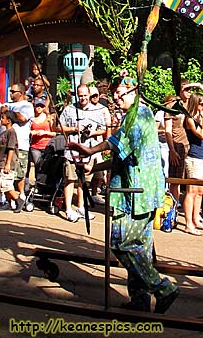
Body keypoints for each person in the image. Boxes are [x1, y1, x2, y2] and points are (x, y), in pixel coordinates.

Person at [67, 75, 179, 314]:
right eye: (115, 93)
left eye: (121, 92)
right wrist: (92, 167)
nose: (117, 97)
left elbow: (118, 142)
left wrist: (90, 149)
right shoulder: (133, 115)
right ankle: (139, 301)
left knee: (122, 244)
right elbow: (123, 155)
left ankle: (163, 288)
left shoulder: (139, 115)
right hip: (134, 191)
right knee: (141, 247)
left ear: (134, 90)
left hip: (135, 193)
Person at [60, 84, 109, 222]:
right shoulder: (69, 109)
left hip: (88, 151)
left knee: (84, 181)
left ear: (89, 95)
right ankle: (68, 209)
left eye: (85, 95)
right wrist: (74, 129)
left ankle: (81, 207)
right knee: (70, 179)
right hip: (72, 151)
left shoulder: (97, 110)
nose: (82, 98)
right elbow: (58, 127)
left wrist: (93, 132)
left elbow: (103, 129)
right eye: (80, 95)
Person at [183, 93, 203, 235]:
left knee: (200, 192)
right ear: (196, 104)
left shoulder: (200, 117)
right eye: (202, 104)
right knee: (192, 191)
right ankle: (188, 224)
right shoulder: (190, 119)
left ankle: (196, 219)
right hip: (194, 157)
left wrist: (200, 86)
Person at [0, 111, 25, 213]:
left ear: (8, 121)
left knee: (6, 185)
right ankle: (8, 202)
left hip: (7, 163)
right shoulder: (4, 133)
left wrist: (8, 163)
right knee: (2, 185)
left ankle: (19, 200)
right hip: (1, 161)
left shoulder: (12, 132)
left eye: (3, 118)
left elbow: (11, 148)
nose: (1, 120)